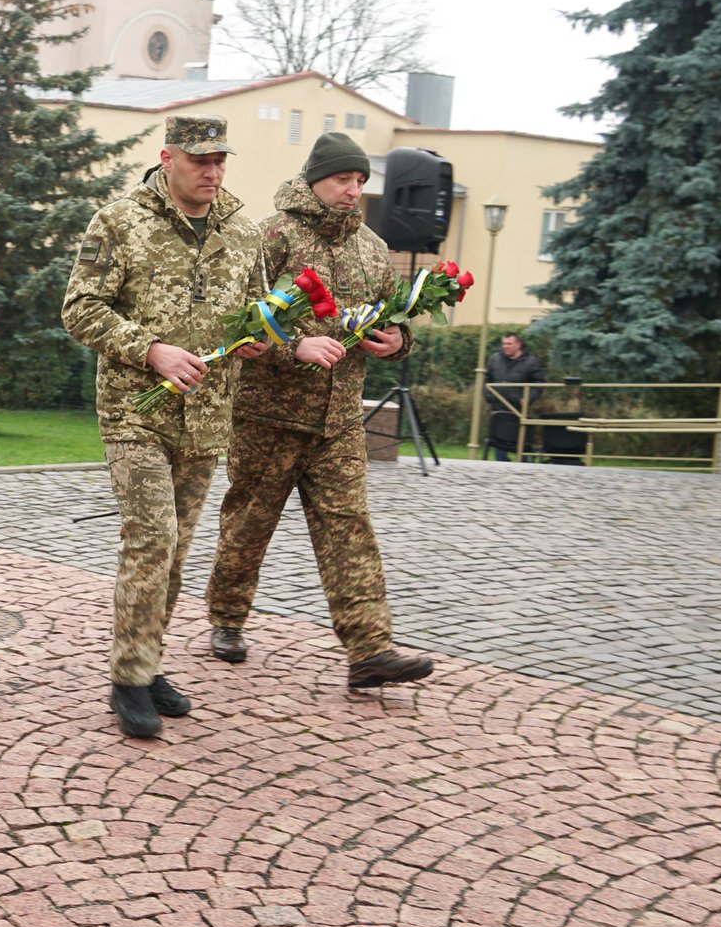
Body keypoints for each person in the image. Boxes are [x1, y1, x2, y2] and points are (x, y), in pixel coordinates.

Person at [62, 115, 269, 739]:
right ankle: (128, 680)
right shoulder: (119, 221)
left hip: (206, 414)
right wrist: (149, 348)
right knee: (151, 539)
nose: (212, 172)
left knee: (174, 550)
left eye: (220, 160)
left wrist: (256, 339)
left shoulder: (242, 229)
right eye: (200, 160)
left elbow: (255, 309)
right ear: (168, 157)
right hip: (136, 409)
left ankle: (148, 664)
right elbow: (79, 308)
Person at [206, 133, 435, 690]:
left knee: (349, 529)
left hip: (338, 423)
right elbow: (236, 319)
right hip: (268, 417)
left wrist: (396, 342)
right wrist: (294, 346)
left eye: (360, 182)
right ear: (314, 179)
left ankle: (370, 650)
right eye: (342, 180)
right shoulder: (270, 236)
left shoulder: (374, 248)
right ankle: (227, 618)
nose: (352, 191)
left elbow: (393, 317)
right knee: (248, 525)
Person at [485, 333, 545, 461]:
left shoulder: (531, 362)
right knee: (499, 446)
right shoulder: (494, 359)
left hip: (519, 411)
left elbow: (539, 384)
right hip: (498, 410)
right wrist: (489, 396)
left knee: (522, 446)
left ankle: (524, 469)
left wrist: (528, 399)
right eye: (503, 344)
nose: (505, 347)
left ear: (518, 344)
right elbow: (486, 380)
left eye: (509, 344)